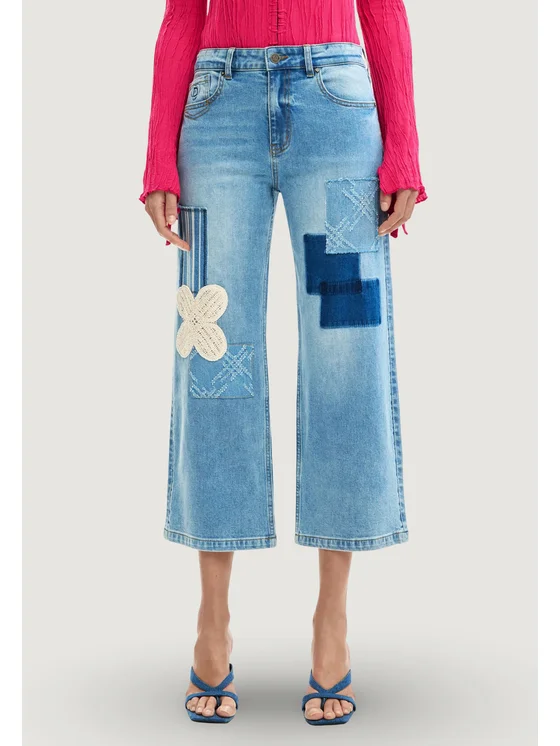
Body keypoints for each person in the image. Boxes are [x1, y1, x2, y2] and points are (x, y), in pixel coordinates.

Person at [141, 0, 426, 726]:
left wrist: (404, 147)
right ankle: (212, 616)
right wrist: (157, 155)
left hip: (336, 114)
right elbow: (182, 15)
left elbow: (383, 7)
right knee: (214, 358)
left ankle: (332, 614)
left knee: (344, 355)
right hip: (218, 114)